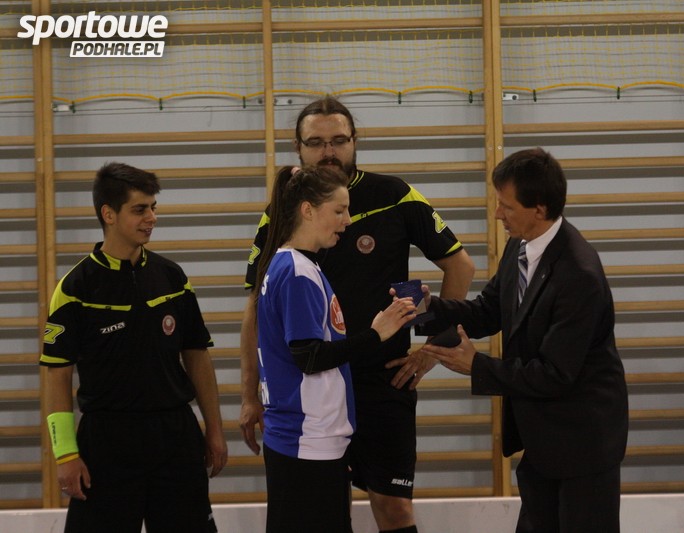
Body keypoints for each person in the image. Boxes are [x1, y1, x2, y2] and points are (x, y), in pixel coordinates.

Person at [239, 96, 475, 532]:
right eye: (316, 142)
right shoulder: (282, 216)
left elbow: (460, 267)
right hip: (314, 390)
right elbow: (257, 309)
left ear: (355, 141)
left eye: (338, 140)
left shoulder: (394, 194)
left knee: (394, 508)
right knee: (327, 508)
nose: (328, 151)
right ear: (298, 147)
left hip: (384, 381)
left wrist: (431, 351)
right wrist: (250, 394)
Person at [418, 148, 629, 532]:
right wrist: (426, 310)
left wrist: (476, 366)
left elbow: (554, 374)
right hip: (543, 439)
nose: (497, 214)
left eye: (507, 206)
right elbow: (488, 310)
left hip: (582, 443)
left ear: (539, 209)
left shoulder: (578, 274)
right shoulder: (521, 245)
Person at [39, 162, 228, 533]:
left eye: (153, 208)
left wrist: (215, 430)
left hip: (175, 436)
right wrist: (65, 454)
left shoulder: (172, 277)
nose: (151, 218)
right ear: (108, 214)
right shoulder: (75, 288)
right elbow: (56, 375)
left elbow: (197, 357)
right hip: (107, 442)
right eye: (140, 209)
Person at [254, 165, 418, 532]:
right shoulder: (297, 272)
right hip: (305, 438)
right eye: (339, 210)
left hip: (305, 437)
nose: (348, 221)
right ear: (308, 210)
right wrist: (375, 334)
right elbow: (309, 356)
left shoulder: (295, 265)